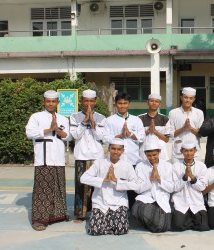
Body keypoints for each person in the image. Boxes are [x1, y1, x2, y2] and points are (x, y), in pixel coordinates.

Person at [25, 90, 72, 231]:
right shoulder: (36, 117)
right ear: (44, 102)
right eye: (48, 101)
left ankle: (58, 215)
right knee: (42, 189)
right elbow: (29, 133)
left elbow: (68, 136)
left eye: (53, 101)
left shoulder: (63, 118)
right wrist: (48, 130)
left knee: (58, 187)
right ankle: (39, 219)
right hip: (43, 158)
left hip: (58, 158)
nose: (51, 104)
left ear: (58, 102)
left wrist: (57, 130)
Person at [80, 138, 138, 236]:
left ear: (123, 151)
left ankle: (106, 225)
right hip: (100, 201)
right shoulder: (99, 163)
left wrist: (117, 181)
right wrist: (103, 180)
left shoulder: (127, 165)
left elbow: (135, 185)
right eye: (113, 149)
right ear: (109, 149)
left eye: (119, 149)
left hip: (119, 202)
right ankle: (108, 225)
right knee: (94, 230)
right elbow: (83, 178)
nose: (116, 152)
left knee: (122, 229)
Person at [102, 93, 145, 207]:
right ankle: (117, 209)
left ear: (129, 104)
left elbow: (142, 137)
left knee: (131, 187)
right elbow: (105, 138)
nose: (122, 106)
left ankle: (131, 211)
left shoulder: (136, 120)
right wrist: (119, 136)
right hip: (116, 159)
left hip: (132, 159)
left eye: (125, 103)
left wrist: (130, 134)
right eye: (120, 103)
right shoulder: (109, 120)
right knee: (115, 186)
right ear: (116, 104)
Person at [70, 89, 106, 222]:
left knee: (97, 185)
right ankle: (80, 213)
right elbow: (74, 135)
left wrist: (93, 121)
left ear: (95, 101)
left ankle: (97, 212)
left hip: (97, 156)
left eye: (91, 101)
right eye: (86, 101)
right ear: (81, 101)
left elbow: (101, 136)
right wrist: (85, 121)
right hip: (81, 155)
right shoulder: (75, 117)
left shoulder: (101, 117)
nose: (88, 103)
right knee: (81, 185)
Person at [131, 141, 175, 233]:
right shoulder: (140, 166)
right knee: (136, 209)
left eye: (154, 155)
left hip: (162, 198)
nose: (152, 158)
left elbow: (171, 188)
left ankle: (151, 223)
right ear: (145, 154)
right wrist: (150, 179)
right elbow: (137, 189)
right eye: (149, 155)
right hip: (146, 198)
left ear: (159, 152)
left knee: (163, 226)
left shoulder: (168, 166)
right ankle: (150, 222)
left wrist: (159, 179)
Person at [172, 141, 209, 231]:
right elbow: (175, 187)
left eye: (191, 151)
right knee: (178, 226)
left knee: (203, 227)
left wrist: (192, 177)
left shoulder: (202, 166)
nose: (188, 153)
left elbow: (202, 187)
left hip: (196, 202)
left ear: (195, 151)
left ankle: (189, 220)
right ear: (181, 151)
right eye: (186, 151)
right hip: (181, 202)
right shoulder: (175, 166)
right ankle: (189, 220)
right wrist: (185, 177)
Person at [168, 87, 204, 163]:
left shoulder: (199, 113)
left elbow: (201, 133)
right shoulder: (173, 113)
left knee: (195, 174)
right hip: (178, 153)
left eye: (191, 98)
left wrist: (190, 128)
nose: (188, 100)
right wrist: (183, 128)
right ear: (181, 98)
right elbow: (171, 134)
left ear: (194, 99)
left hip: (195, 153)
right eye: (186, 97)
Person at [138, 93, 170, 161]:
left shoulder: (165, 119)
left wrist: (155, 131)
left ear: (159, 104)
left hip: (160, 151)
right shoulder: (139, 118)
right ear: (147, 102)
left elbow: (166, 139)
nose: (154, 103)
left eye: (156, 101)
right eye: (152, 101)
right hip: (144, 151)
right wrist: (148, 131)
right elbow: (137, 137)